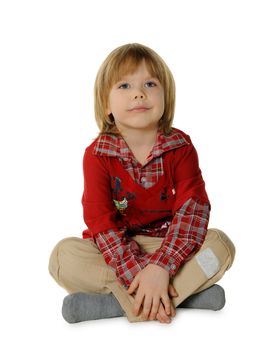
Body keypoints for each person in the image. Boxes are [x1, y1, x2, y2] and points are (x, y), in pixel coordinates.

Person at [48, 43, 235, 324]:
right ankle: (177, 296)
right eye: (124, 86)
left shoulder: (180, 147)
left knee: (220, 246)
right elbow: (101, 223)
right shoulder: (97, 155)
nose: (138, 93)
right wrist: (139, 273)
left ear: (166, 96)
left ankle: (118, 304)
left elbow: (193, 211)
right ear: (106, 103)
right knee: (63, 257)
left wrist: (161, 267)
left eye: (149, 83)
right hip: (116, 252)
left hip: (171, 247)